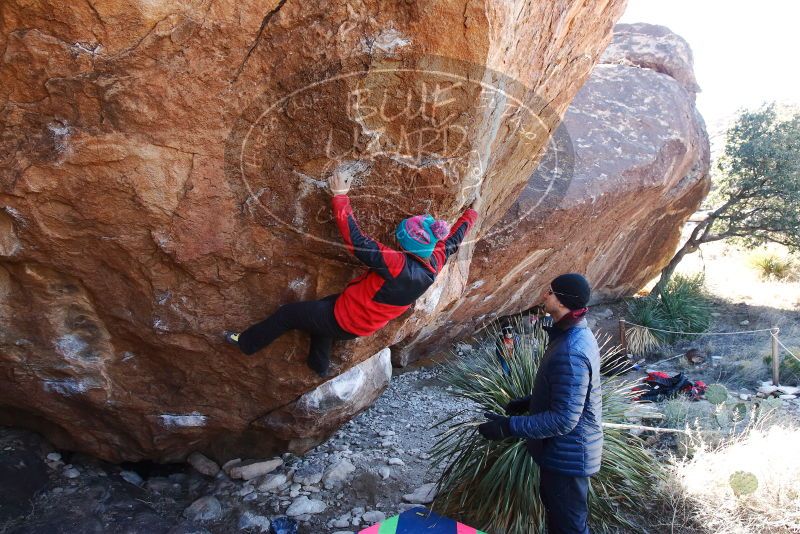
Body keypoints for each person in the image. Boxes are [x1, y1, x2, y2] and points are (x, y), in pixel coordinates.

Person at [224, 168, 480, 377]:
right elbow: (454, 239)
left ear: (405, 243)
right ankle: (318, 366)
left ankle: (246, 343)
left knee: (288, 315)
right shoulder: (434, 262)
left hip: (343, 317)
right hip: (360, 324)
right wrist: (472, 212)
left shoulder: (395, 263)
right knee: (322, 315)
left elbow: (356, 240)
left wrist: (340, 195)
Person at [477, 273, 602, 534]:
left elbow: (565, 419)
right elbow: (571, 394)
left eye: (551, 292)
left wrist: (508, 427)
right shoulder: (575, 334)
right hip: (567, 453)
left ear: (563, 301)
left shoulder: (570, 350)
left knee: (569, 528)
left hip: (568, 457)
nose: (545, 295)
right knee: (562, 523)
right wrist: (530, 402)